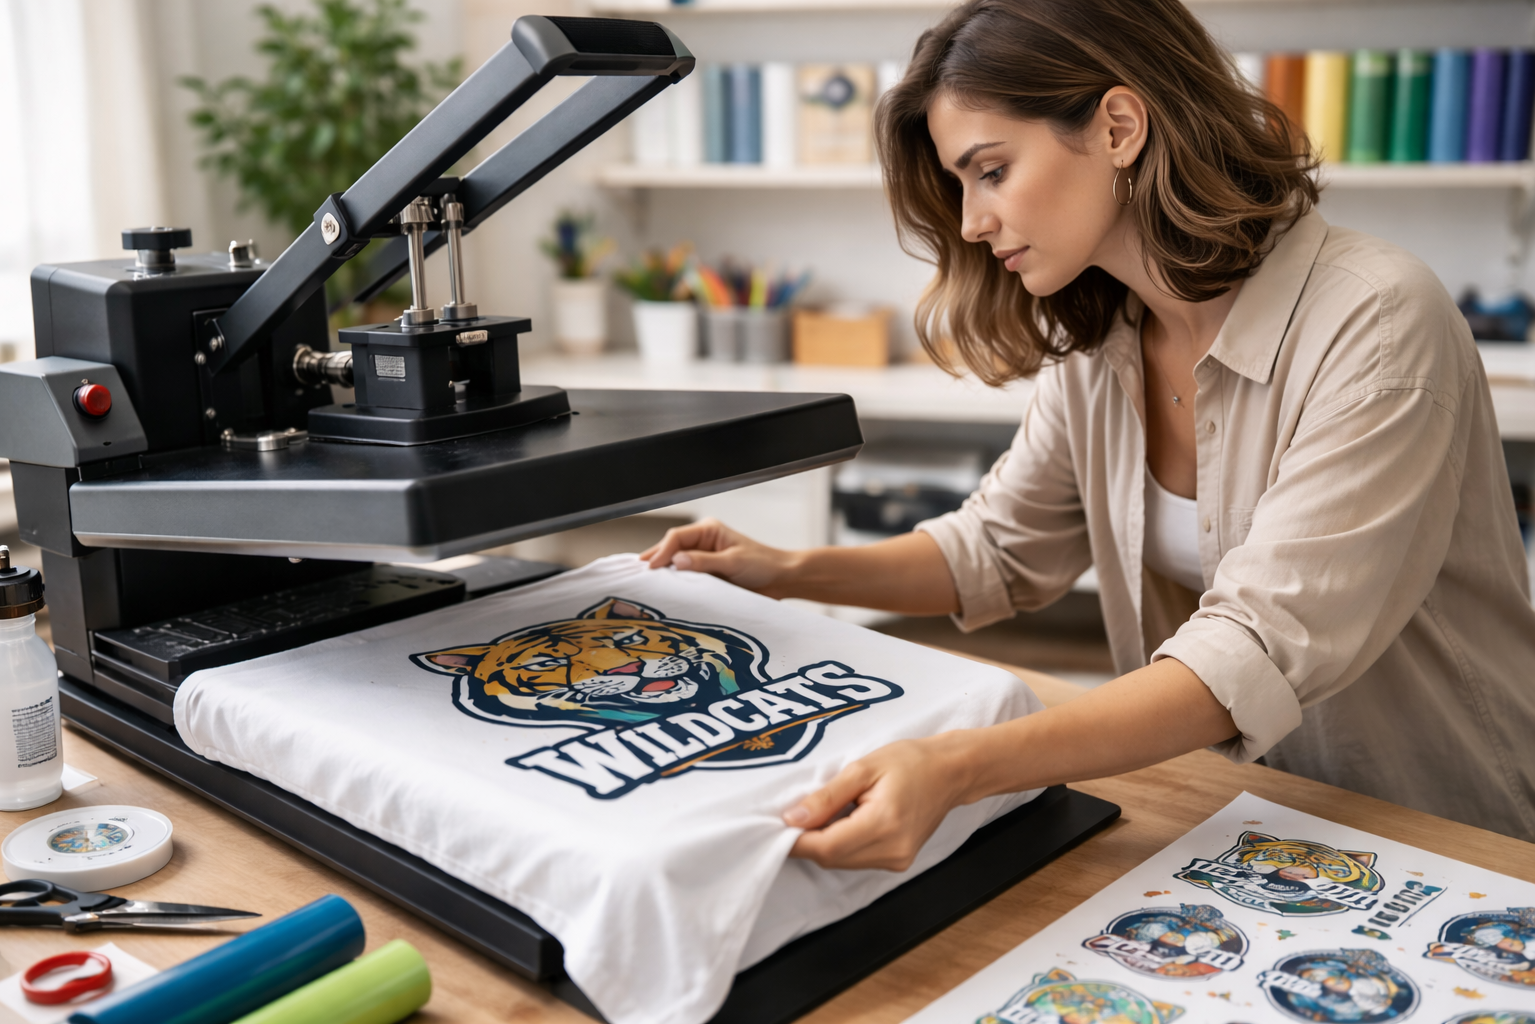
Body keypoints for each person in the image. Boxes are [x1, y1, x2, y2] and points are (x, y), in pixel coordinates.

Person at [644, 0, 1535, 862]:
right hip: (1252, 819)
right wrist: (786, 574)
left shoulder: (1376, 320)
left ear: (1118, 128)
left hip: (1446, 829)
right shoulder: (1106, 339)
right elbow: (997, 547)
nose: (970, 221)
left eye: (991, 171)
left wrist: (958, 766)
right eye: (960, 184)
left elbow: (1253, 646)